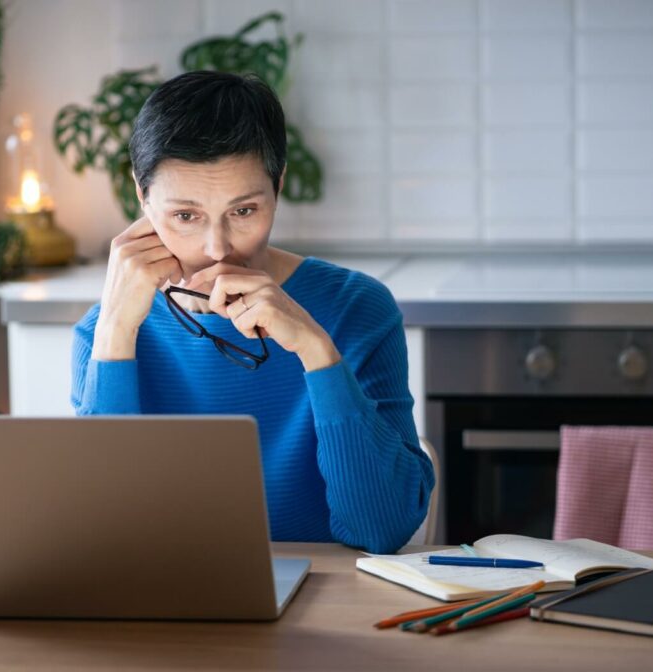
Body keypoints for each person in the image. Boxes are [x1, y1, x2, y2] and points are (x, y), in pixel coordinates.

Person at [72, 71, 433, 553]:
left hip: (331, 603)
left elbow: (380, 529)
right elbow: (104, 538)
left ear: (278, 187)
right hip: (168, 607)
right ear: (142, 197)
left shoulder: (357, 308)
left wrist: (315, 349)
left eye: (243, 212)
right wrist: (116, 333)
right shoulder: (102, 333)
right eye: (185, 216)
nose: (216, 247)